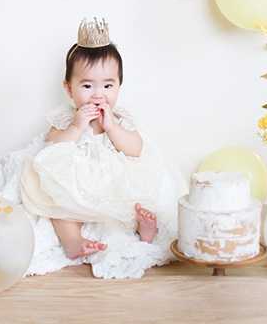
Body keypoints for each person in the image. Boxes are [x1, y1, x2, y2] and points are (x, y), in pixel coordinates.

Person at [20, 18, 177, 261]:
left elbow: (136, 149)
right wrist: (76, 126)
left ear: (119, 86)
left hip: (113, 180)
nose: (98, 94)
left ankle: (144, 228)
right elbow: (51, 146)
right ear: (69, 89)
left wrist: (112, 128)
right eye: (87, 86)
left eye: (107, 86)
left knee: (134, 200)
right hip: (77, 179)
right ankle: (73, 241)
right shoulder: (67, 118)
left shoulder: (119, 119)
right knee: (53, 198)